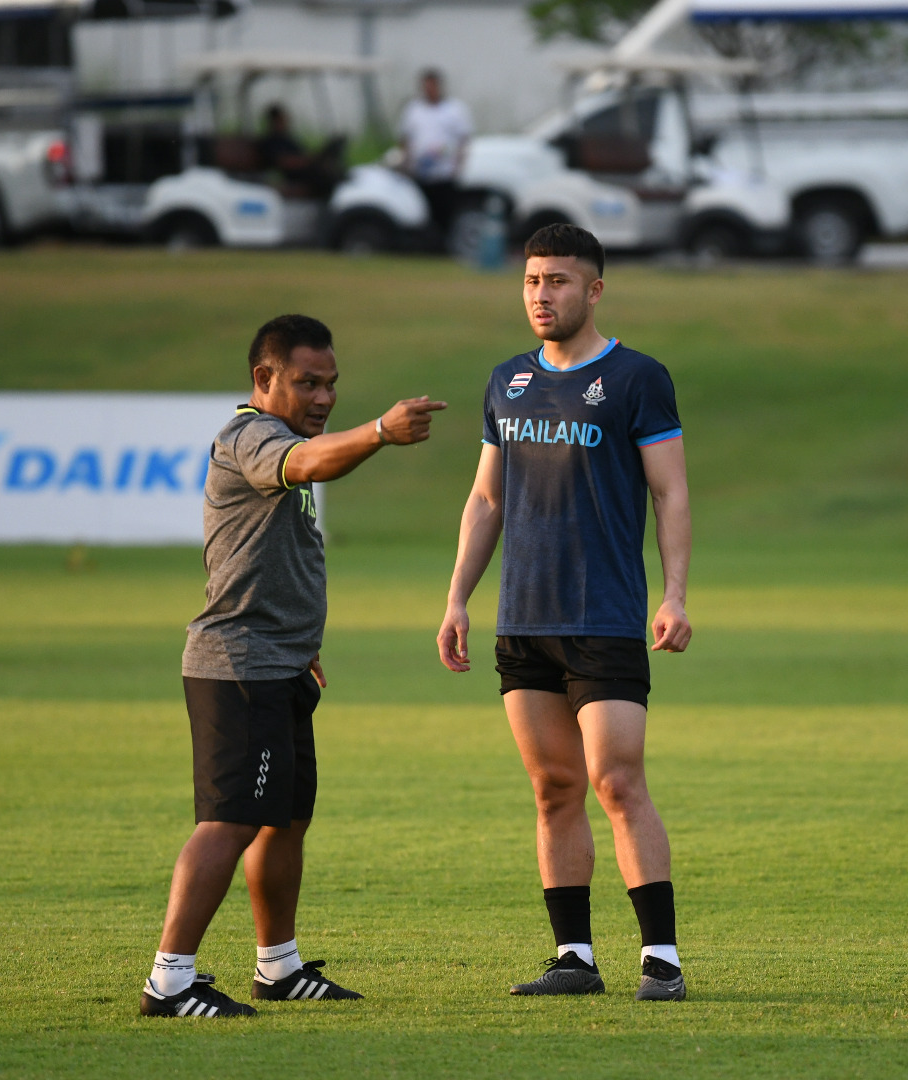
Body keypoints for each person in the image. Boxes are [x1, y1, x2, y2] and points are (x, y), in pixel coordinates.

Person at [141, 315, 447, 1018]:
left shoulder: (282, 438)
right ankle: (169, 981)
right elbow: (308, 464)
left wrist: (302, 641)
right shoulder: (251, 436)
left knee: (284, 819)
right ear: (264, 378)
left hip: (282, 665)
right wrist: (380, 431)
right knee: (229, 822)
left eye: (331, 383)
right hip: (239, 666)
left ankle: (278, 967)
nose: (324, 397)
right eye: (308, 383)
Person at [436, 224, 693, 1001]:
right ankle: (574, 957)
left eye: (557, 281)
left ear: (594, 290)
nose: (541, 295)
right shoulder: (507, 382)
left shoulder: (637, 378)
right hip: (523, 621)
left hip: (604, 617)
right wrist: (457, 598)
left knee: (616, 781)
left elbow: (670, 492)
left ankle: (661, 959)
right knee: (553, 787)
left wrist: (674, 593)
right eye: (531, 281)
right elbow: (487, 499)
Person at [397, 69, 474, 244]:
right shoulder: (413, 110)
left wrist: (458, 166)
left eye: (432, 86)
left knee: (446, 213)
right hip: (420, 173)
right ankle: (425, 245)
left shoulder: (454, 109)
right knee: (422, 213)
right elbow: (405, 139)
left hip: (445, 173)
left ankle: (445, 244)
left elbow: (463, 140)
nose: (429, 90)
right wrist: (406, 163)